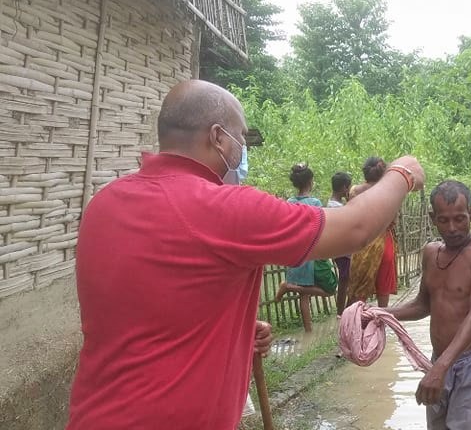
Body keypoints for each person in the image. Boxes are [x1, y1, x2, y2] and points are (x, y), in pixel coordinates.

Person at [66, 79, 425, 429]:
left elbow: (144, 303)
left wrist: (228, 326)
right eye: (241, 138)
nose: (243, 150)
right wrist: (401, 174)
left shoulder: (104, 203)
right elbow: (355, 228)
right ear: (218, 137)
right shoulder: (223, 208)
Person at [385, 180, 471, 430]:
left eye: (460, 219)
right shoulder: (430, 252)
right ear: (432, 218)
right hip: (438, 359)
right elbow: (422, 306)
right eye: (444, 220)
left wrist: (440, 368)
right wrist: (380, 314)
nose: (452, 228)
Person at [274, 163, 336, 333]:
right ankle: (288, 287)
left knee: (304, 294)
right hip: (311, 251)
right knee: (329, 290)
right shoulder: (315, 202)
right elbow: (320, 227)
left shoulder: (290, 202)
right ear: (310, 182)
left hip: (295, 250)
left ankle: (309, 331)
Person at [347, 157, 399, 308]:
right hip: (384, 242)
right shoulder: (390, 192)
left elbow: (351, 216)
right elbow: (393, 219)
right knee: (383, 291)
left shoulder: (354, 191)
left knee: (359, 291)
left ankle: (354, 325)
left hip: (362, 242)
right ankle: (381, 323)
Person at [327, 171, 353, 316]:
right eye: (348, 187)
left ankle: (342, 311)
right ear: (344, 188)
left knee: (346, 280)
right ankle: (341, 312)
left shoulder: (333, 204)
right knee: (345, 281)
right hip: (343, 251)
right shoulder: (337, 207)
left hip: (340, 250)